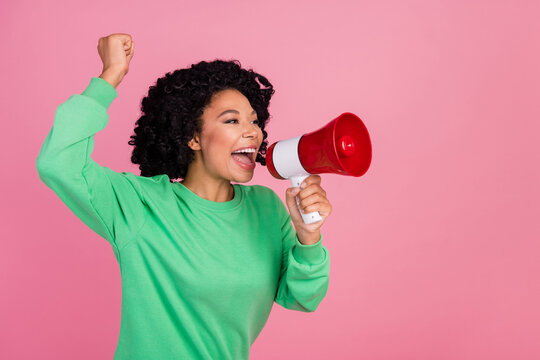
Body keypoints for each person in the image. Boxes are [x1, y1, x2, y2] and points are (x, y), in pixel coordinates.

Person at [36, 33, 332, 360]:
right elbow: (58, 162)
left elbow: (303, 297)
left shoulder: (266, 207)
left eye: (254, 121)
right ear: (193, 137)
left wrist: (309, 237)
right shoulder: (141, 205)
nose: (253, 132)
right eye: (232, 120)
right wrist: (111, 76)